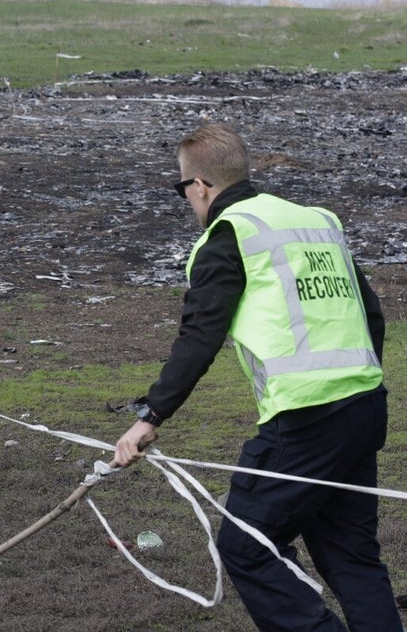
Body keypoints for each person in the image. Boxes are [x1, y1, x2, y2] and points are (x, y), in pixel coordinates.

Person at [113, 123, 401, 630]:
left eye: (184, 189)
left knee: (245, 547)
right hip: (364, 407)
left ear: (200, 185)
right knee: (352, 560)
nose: (187, 200)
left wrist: (149, 415)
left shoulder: (227, 234)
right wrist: (359, 379)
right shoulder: (316, 221)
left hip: (304, 421)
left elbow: (200, 335)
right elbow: (370, 312)